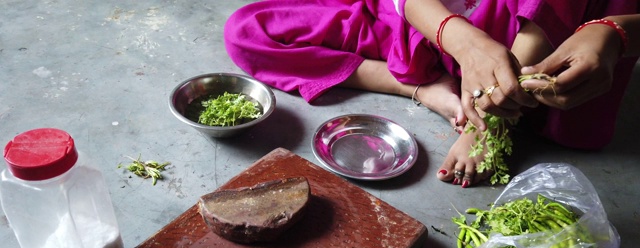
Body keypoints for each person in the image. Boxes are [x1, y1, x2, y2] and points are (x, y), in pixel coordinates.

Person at [224, 0, 639, 188]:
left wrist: (617, 33)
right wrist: (461, 40)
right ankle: (424, 86)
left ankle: (496, 111)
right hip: (434, 25)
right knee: (249, 31)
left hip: (553, 37)